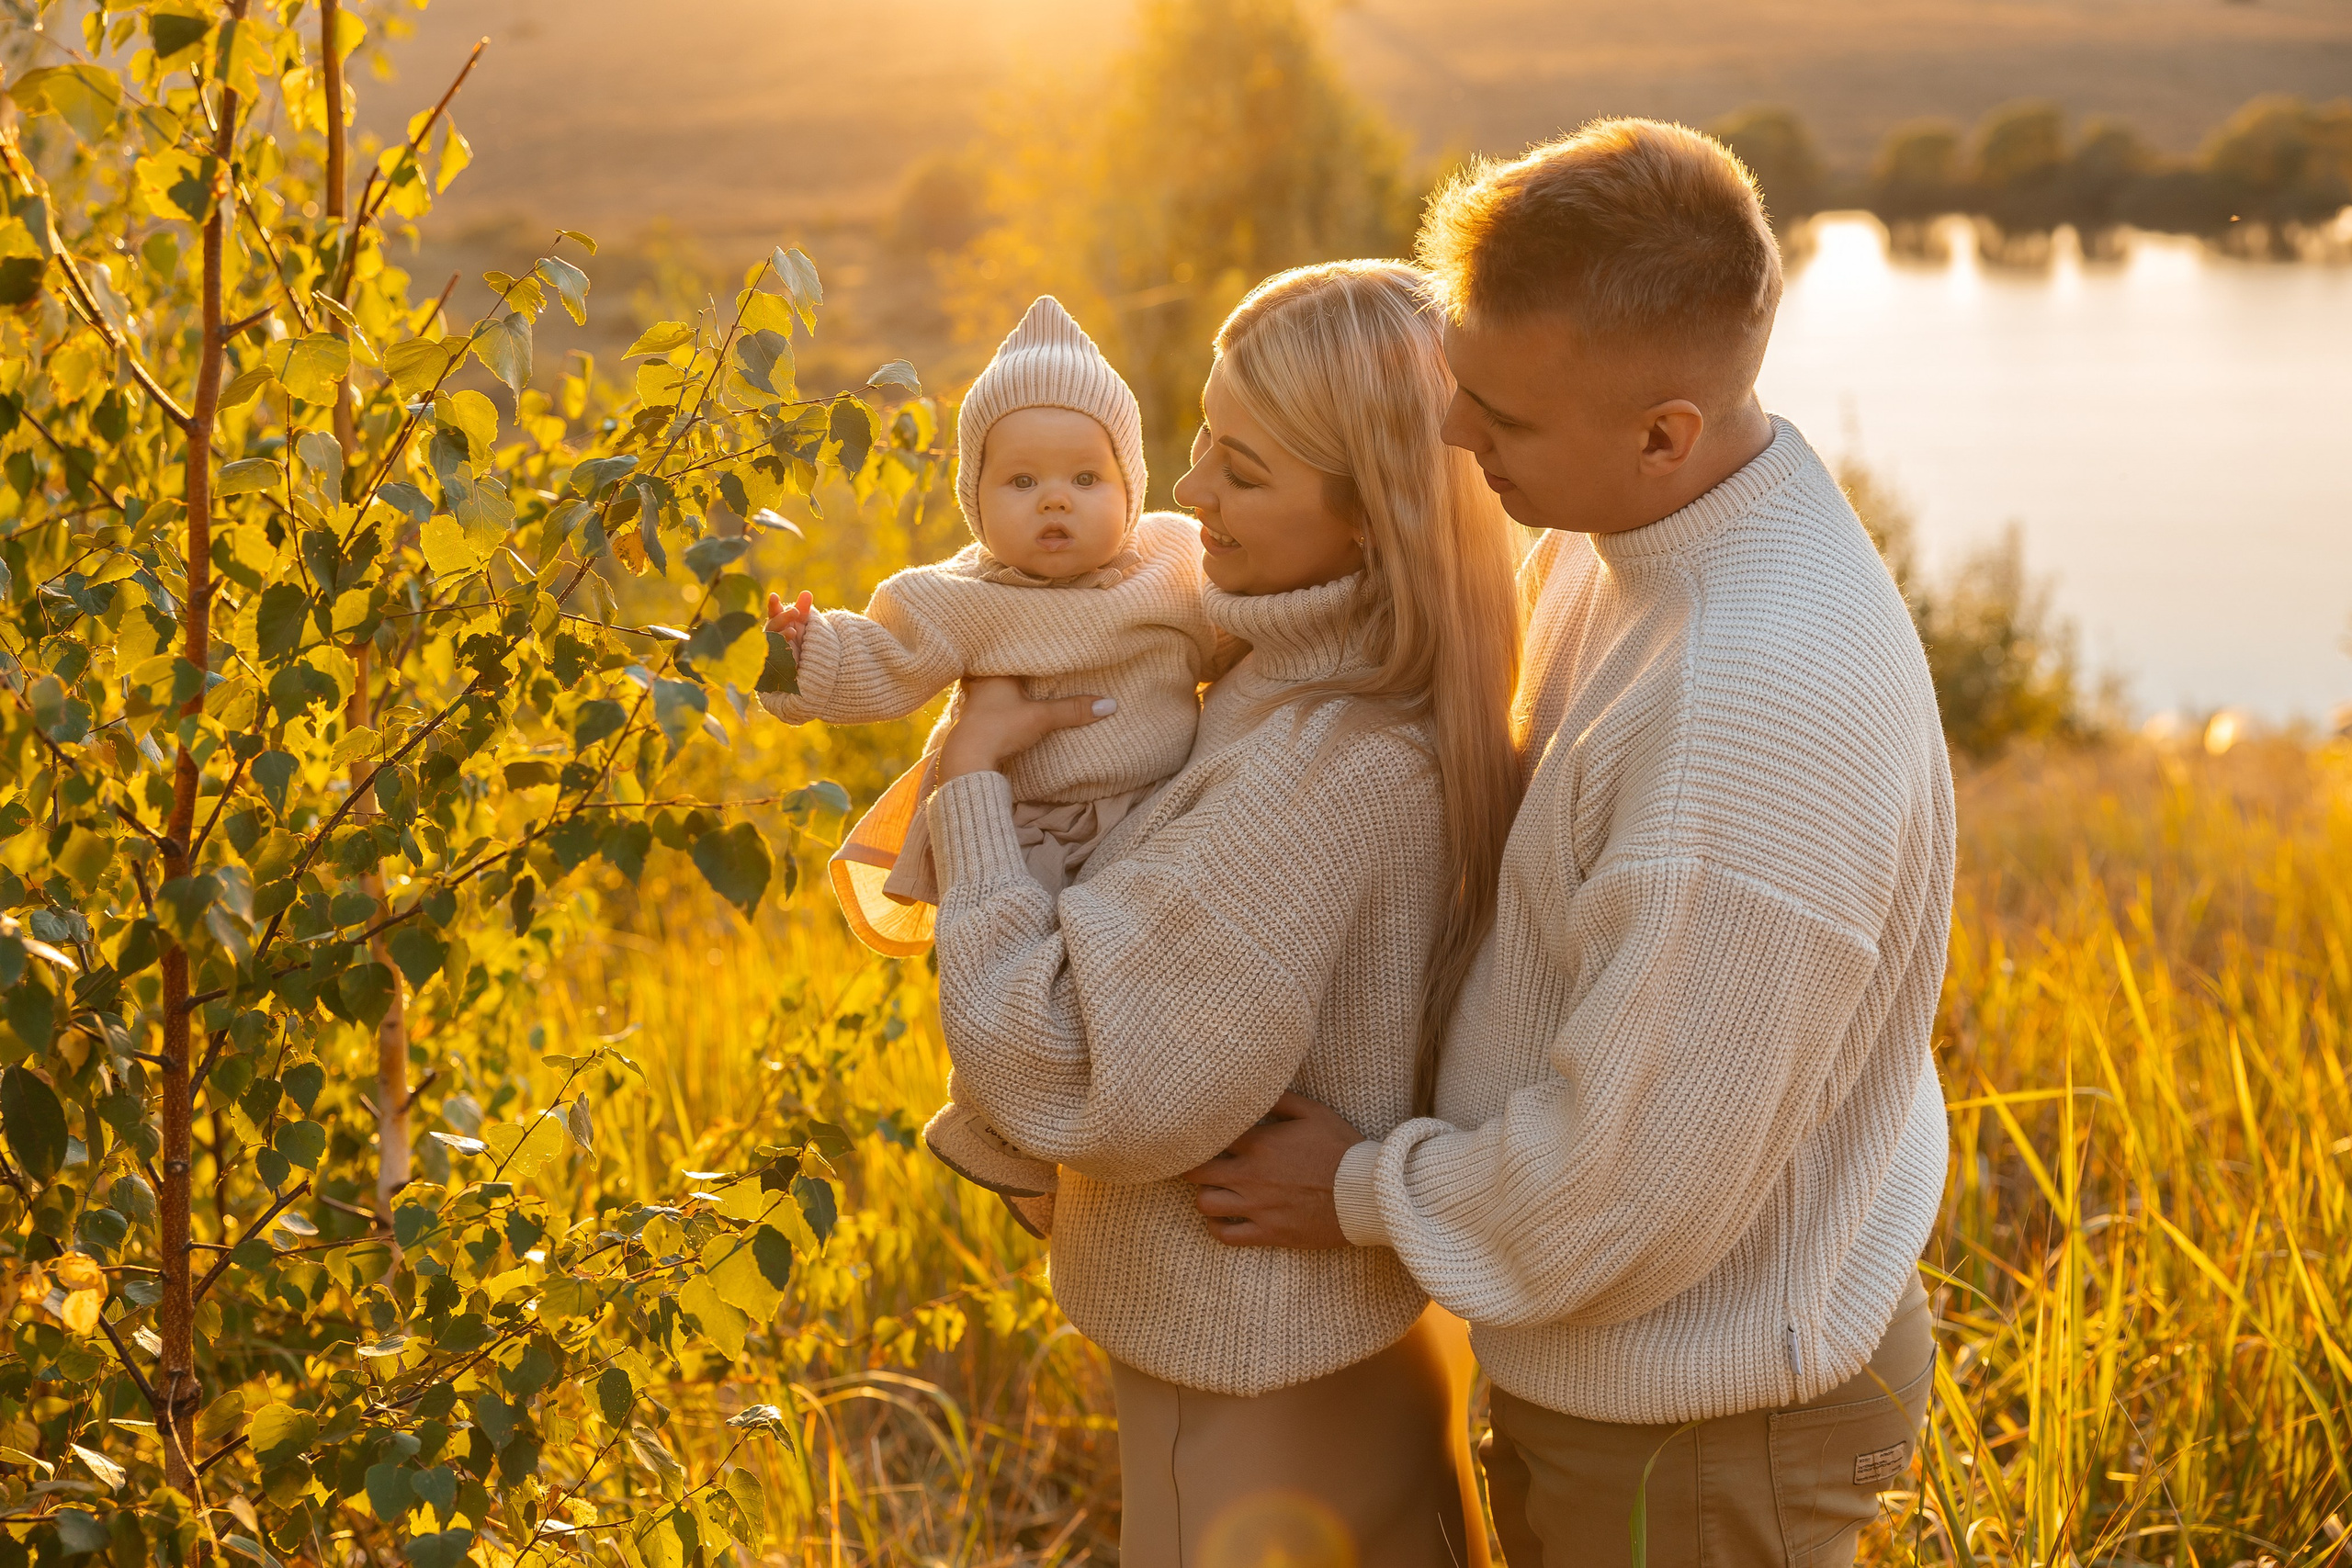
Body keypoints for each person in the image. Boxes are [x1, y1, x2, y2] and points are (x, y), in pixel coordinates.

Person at [1183, 120, 1955, 1568]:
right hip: (1623, 1366)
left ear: (1666, 429)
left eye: (1505, 420)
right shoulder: (1646, 528)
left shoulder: (1743, 717)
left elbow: (1627, 1185)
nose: (1457, 438)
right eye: (1460, 390)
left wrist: (1358, 1190)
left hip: (1703, 1422)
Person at [920, 261, 1523, 1565]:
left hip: (1255, 1399)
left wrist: (964, 787)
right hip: (1315, 1351)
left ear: (1371, 515)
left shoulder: (1326, 762)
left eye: (1242, 470)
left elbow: (1074, 1067)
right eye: (1198, 437)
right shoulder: (1299, 675)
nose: (1186, 493)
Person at [760, 296, 1215, 1230]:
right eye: (1021, 482)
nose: (1056, 500)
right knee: (1017, 979)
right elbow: (877, 666)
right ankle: (998, 1134)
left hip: (1153, 817)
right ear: (974, 498)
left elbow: (1247, 626)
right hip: (1026, 827)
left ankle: (1126, 1122)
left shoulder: (1172, 562)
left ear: (1131, 486)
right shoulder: (954, 599)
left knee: (1135, 982)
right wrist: (797, 653)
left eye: (1086, 477)